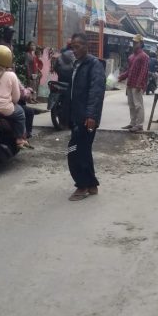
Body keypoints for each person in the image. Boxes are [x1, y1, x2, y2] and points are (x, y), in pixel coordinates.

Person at [66, 32, 105, 201]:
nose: (74, 50)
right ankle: (91, 185)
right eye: (72, 47)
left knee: (74, 151)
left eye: (77, 47)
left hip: (87, 118)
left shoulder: (94, 65)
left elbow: (96, 92)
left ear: (86, 46)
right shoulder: (77, 65)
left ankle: (81, 186)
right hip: (76, 115)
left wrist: (91, 115)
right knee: (83, 151)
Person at [117, 34, 149, 132]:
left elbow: (144, 71)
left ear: (141, 43)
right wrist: (121, 77)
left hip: (137, 85)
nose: (134, 44)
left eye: (136, 42)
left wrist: (140, 84)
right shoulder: (131, 56)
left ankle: (139, 125)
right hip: (130, 83)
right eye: (134, 42)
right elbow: (129, 71)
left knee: (138, 105)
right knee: (131, 105)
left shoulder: (144, 56)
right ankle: (132, 123)